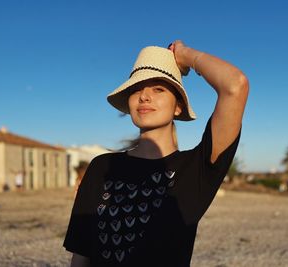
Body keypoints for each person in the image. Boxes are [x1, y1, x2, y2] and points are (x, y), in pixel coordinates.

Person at [63, 40, 249, 267]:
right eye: (137, 89)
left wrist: (186, 55)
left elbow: (235, 85)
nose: (144, 96)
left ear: (178, 106)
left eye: (158, 89)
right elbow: (81, 254)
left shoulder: (195, 170)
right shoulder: (101, 167)